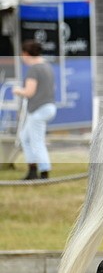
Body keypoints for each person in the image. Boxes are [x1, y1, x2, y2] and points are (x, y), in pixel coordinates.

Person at [12, 40, 56, 180]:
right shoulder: (47, 66)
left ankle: (44, 172)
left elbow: (29, 92)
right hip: (48, 106)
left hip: (38, 110)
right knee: (25, 137)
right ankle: (32, 170)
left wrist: (18, 90)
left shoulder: (34, 69)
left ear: (26, 53)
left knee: (36, 141)